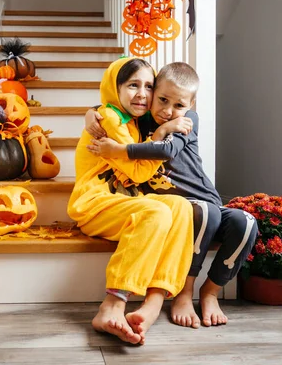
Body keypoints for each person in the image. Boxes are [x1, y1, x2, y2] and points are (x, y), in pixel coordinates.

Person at [85, 62, 258, 328]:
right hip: (180, 208)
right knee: (200, 211)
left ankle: (210, 292)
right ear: (154, 95)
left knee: (245, 222)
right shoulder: (139, 120)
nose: (167, 112)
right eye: (162, 100)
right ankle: (184, 292)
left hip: (206, 203)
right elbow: (113, 108)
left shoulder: (186, 121)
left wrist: (120, 150)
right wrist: (91, 112)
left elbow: (165, 150)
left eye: (178, 105)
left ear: (190, 104)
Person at [68, 57, 195, 344]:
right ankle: (114, 302)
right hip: (95, 204)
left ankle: (155, 299)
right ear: (115, 87)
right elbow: (138, 172)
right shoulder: (110, 118)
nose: (142, 93)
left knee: (180, 206)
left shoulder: (135, 122)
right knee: (156, 213)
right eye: (132, 85)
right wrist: (162, 134)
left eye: (149, 86)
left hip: (123, 202)